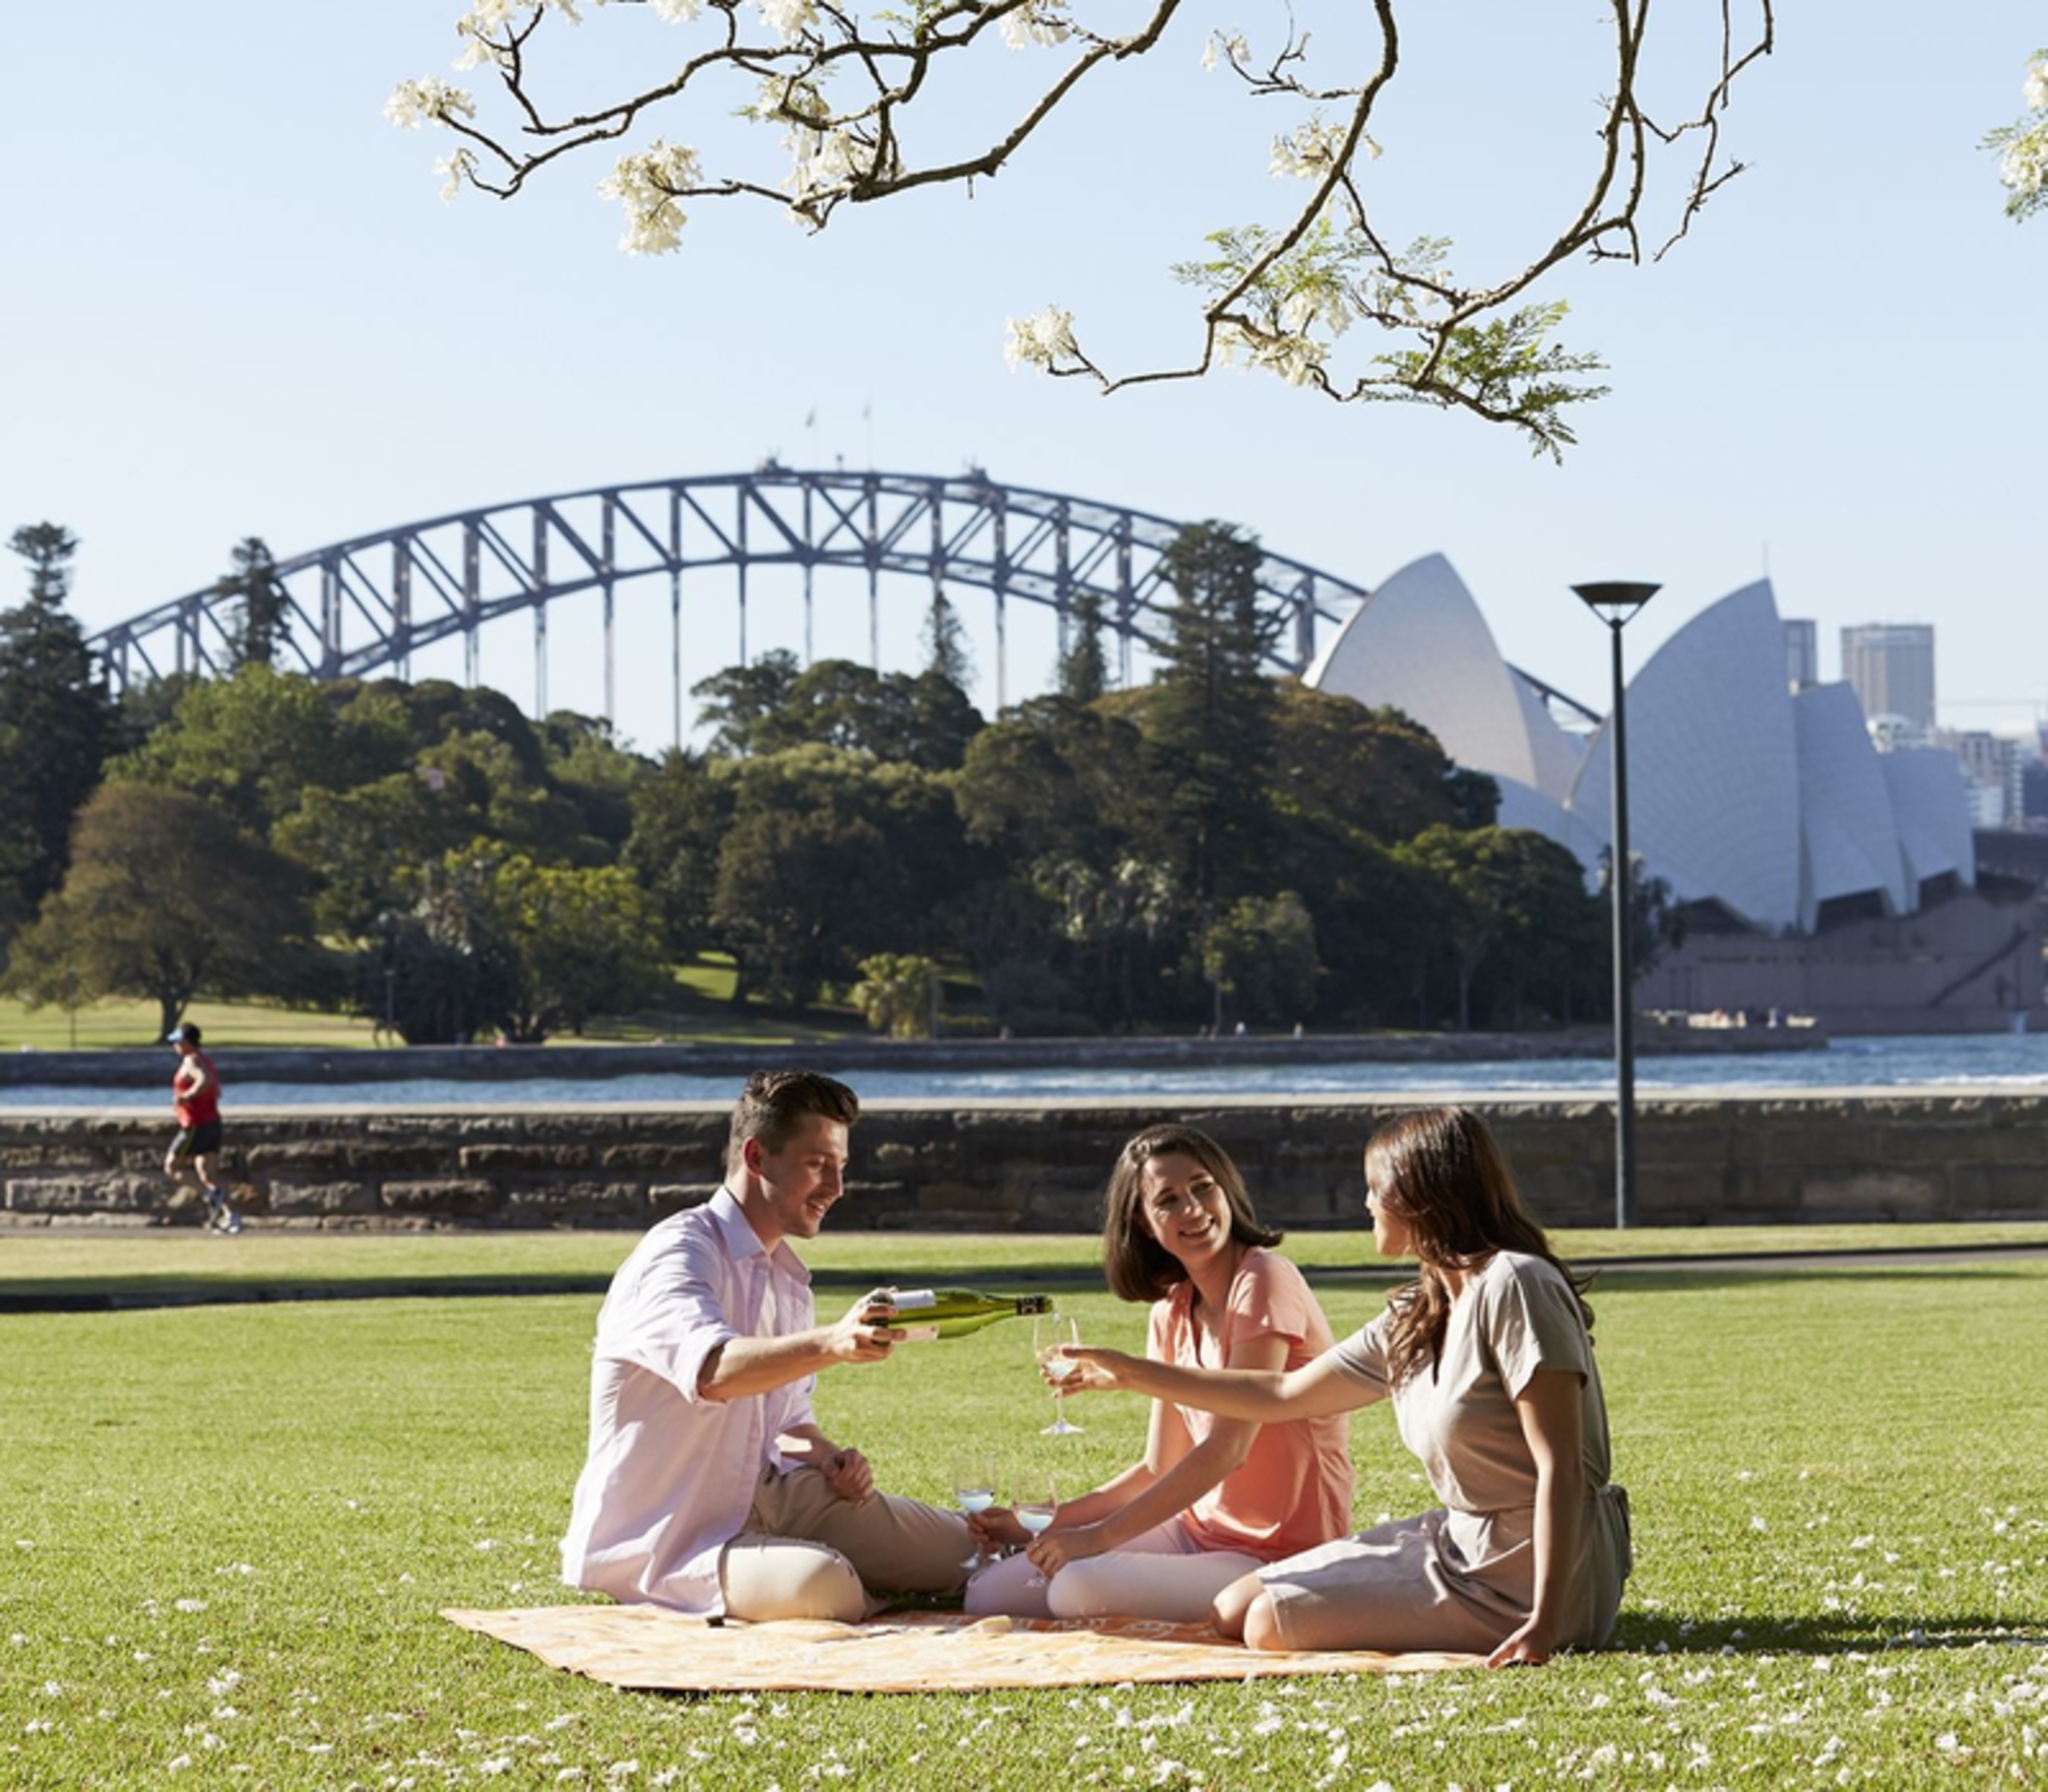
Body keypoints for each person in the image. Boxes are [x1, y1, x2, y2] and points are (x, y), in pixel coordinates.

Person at [1060, 1105, 1631, 1666]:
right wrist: (1131, 1372)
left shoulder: (1516, 1283)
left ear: (1419, 1192)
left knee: (1265, 1624)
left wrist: (1546, 1623)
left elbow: (1562, 1467)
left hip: (1528, 1576)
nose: (1365, 1203)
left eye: (1374, 1188)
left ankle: (1529, 1610)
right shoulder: (1421, 1309)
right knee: (1233, 1607)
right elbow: (1280, 1396)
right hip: (1460, 1542)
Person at [559, 1068, 971, 1622]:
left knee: (970, 1550)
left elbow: (789, 1422)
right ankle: (844, 1580)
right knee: (823, 1586)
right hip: (674, 1531)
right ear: (756, 1157)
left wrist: (830, 1457)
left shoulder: (787, 1276)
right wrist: (833, 1340)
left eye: (841, 1167)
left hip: (772, 1497)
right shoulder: (677, 1255)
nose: (836, 1188)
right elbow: (714, 1371)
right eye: (817, 1165)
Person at [964, 1124, 1353, 1624]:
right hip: (1194, 1530)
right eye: (1167, 1200)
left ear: (1227, 1189)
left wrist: (1098, 1539)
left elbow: (1228, 1450)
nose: (1193, 1208)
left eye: (1203, 1187)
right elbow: (1156, 1468)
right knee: (988, 1596)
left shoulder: (1265, 1279)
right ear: (1145, 1223)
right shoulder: (1170, 1313)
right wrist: (1032, 1526)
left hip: (1279, 1552)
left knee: (1076, 1587)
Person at [164, 1022, 239, 1235]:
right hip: (212, 1122)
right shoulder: (206, 1059)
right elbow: (216, 1087)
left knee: (172, 1167)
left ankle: (209, 1195)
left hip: (195, 1125)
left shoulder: (192, 1061)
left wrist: (185, 1097)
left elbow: (204, 1081)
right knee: (208, 1174)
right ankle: (232, 1216)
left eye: (178, 1042)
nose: (175, 1046)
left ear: (187, 1043)